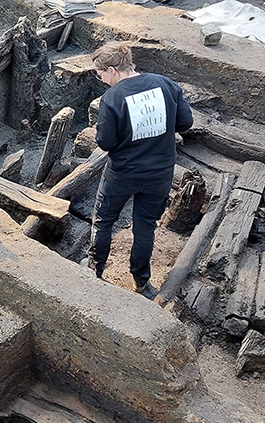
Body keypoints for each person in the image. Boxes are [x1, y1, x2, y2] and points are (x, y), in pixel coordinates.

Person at [85, 42, 193, 299]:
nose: (102, 81)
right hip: (160, 173)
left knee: (103, 221)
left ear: (111, 70)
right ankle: (141, 283)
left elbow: (105, 142)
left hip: (122, 173)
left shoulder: (112, 97)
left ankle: (94, 272)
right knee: (145, 227)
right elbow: (185, 123)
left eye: (101, 76)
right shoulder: (165, 84)